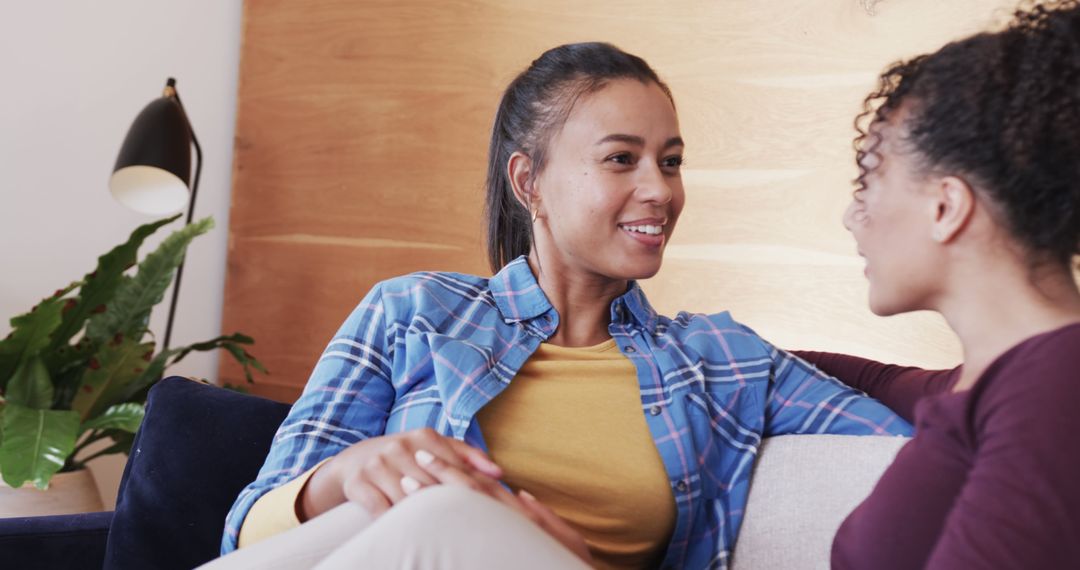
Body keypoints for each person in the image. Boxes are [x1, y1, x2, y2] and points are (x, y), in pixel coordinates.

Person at [210, 42, 910, 570]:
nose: (660, 190)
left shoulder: (721, 359)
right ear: (530, 180)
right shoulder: (415, 313)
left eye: (669, 161)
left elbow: (913, 449)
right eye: (620, 159)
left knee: (448, 505)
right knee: (376, 514)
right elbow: (245, 533)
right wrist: (343, 474)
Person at [794, 1, 1080, 568]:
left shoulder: (1056, 389)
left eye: (867, 181)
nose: (852, 216)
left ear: (946, 206)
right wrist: (704, 347)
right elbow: (879, 378)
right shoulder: (997, 381)